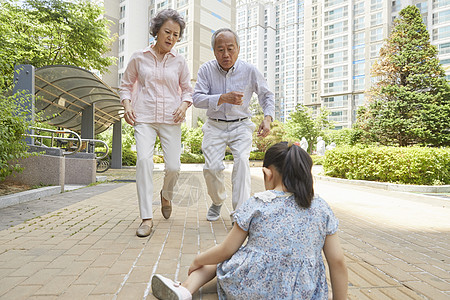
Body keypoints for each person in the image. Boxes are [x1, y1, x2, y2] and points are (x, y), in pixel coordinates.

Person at [151, 142, 348, 300]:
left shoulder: (257, 203)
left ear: (267, 173)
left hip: (250, 290)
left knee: (220, 259)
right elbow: (337, 261)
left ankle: (185, 289)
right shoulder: (321, 208)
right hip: (302, 293)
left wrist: (197, 260)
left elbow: (226, 250)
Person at [119, 9, 193, 237]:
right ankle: (146, 218)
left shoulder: (179, 61)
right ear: (157, 31)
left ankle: (166, 194)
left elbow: (188, 90)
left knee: (173, 167)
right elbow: (125, 85)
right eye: (167, 32)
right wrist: (127, 104)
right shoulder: (138, 57)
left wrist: (183, 106)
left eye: (176, 34)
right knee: (143, 162)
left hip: (171, 118)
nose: (171, 38)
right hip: (144, 117)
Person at [192, 28, 275, 221]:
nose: (226, 54)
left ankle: (240, 213)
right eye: (220, 49)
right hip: (215, 125)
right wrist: (222, 98)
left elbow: (266, 95)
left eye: (230, 48)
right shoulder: (206, 70)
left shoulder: (250, 70)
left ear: (238, 49)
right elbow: (196, 99)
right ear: (214, 51)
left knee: (242, 163)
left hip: (241, 125)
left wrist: (267, 118)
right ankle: (218, 200)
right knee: (211, 168)